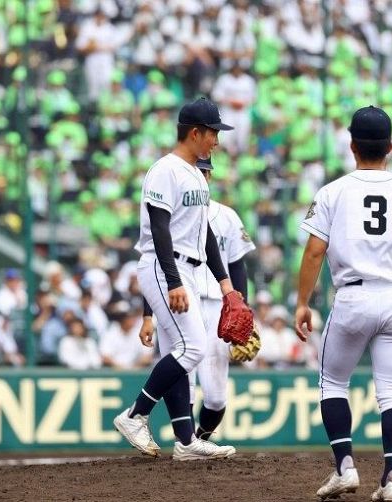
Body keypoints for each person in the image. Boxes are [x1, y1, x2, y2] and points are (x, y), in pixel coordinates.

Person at [293, 106, 392, 502]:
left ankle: (345, 467)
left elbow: (314, 252)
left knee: (332, 382)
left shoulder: (333, 191)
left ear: (352, 145)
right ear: (390, 147)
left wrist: (302, 302)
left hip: (353, 296)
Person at [113, 97, 238, 461]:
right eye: (213, 133)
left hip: (191, 268)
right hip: (164, 266)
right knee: (194, 348)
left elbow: (205, 233)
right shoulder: (165, 170)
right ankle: (135, 415)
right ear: (195, 132)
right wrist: (173, 281)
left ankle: (185, 441)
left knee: (177, 351)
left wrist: (225, 283)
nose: (217, 141)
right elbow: (159, 229)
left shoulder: (196, 174)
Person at [139, 156, 256, 440]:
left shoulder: (227, 216)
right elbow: (154, 262)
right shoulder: (173, 211)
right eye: (197, 170)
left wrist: (243, 309)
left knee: (215, 397)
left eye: (205, 172)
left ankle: (200, 439)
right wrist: (147, 315)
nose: (201, 176)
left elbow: (237, 265)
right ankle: (186, 441)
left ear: (210, 177)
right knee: (185, 378)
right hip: (179, 296)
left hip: (217, 305)